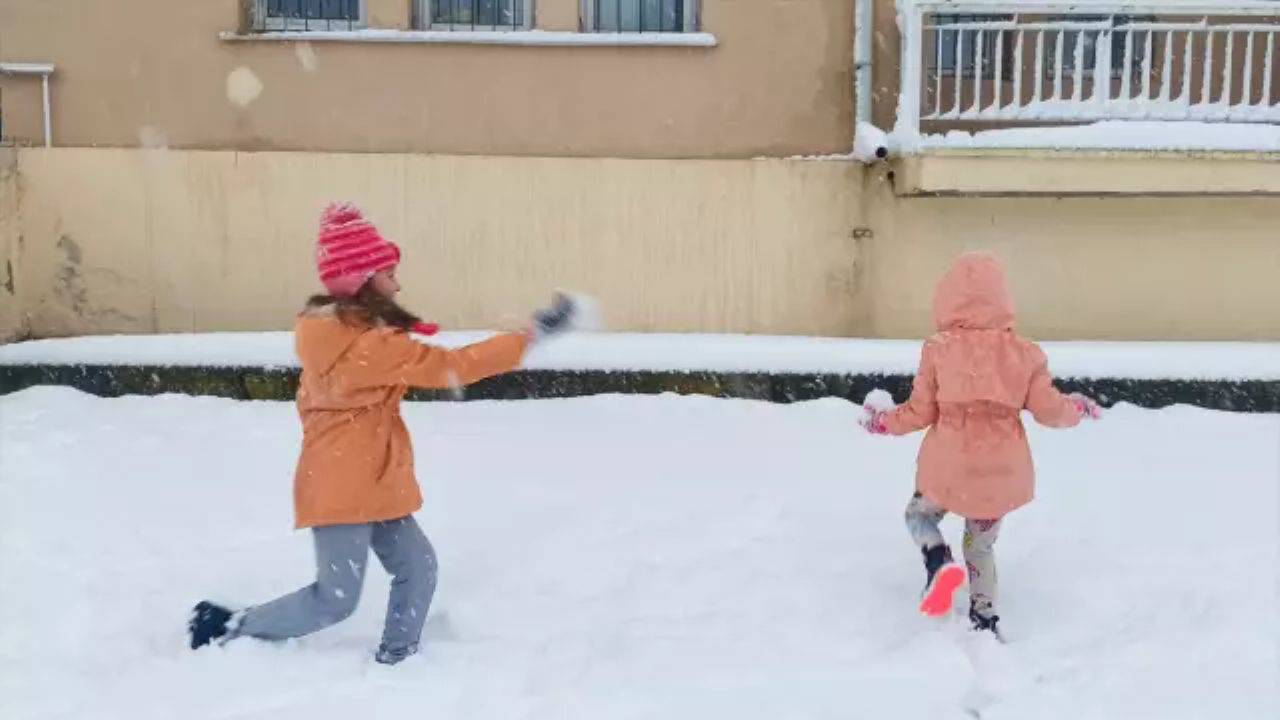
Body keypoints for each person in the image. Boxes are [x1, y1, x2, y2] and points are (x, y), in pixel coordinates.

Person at [189, 202, 580, 664]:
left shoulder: (339, 335)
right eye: (388, 273)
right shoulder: (363, 347)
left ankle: (398, 658)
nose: (397, 283)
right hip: (344, 483)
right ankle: (231, 626)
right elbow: (451, 367)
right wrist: (530, 336)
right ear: (362, 281)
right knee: (336, 598)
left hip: (366, 476)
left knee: (418, 567)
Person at [862, 252, 1101, 638]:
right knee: (980, 545)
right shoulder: (1025, 354)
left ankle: (938, 561)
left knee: (919, 516)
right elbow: (1049, 411)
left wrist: (884, 422)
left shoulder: (939, 349)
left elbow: (919, 412)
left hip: (948, 468)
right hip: (1001, 473)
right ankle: (984, 618)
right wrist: (1075, 408)